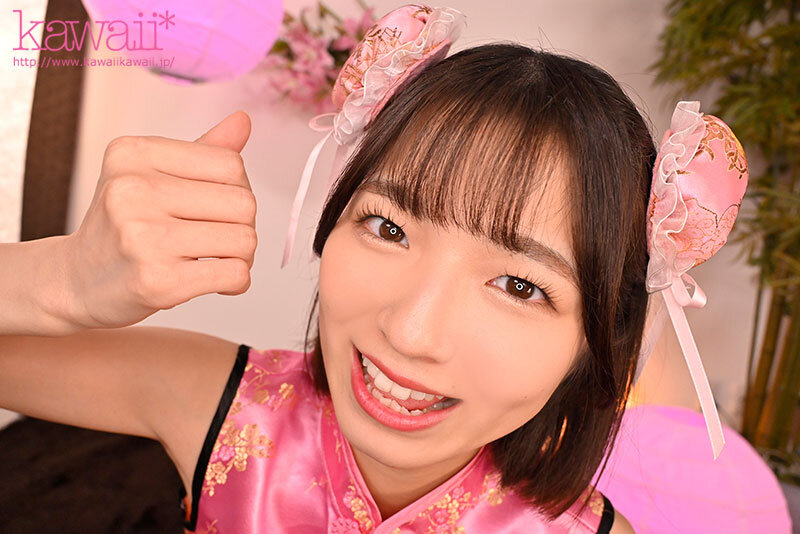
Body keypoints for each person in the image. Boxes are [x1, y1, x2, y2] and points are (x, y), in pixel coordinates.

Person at [0, 4, 748, 533]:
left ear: (597, 344)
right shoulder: (228, 404)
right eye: (388, 227)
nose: (411, 332)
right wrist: (61, 281)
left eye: (520, 286)